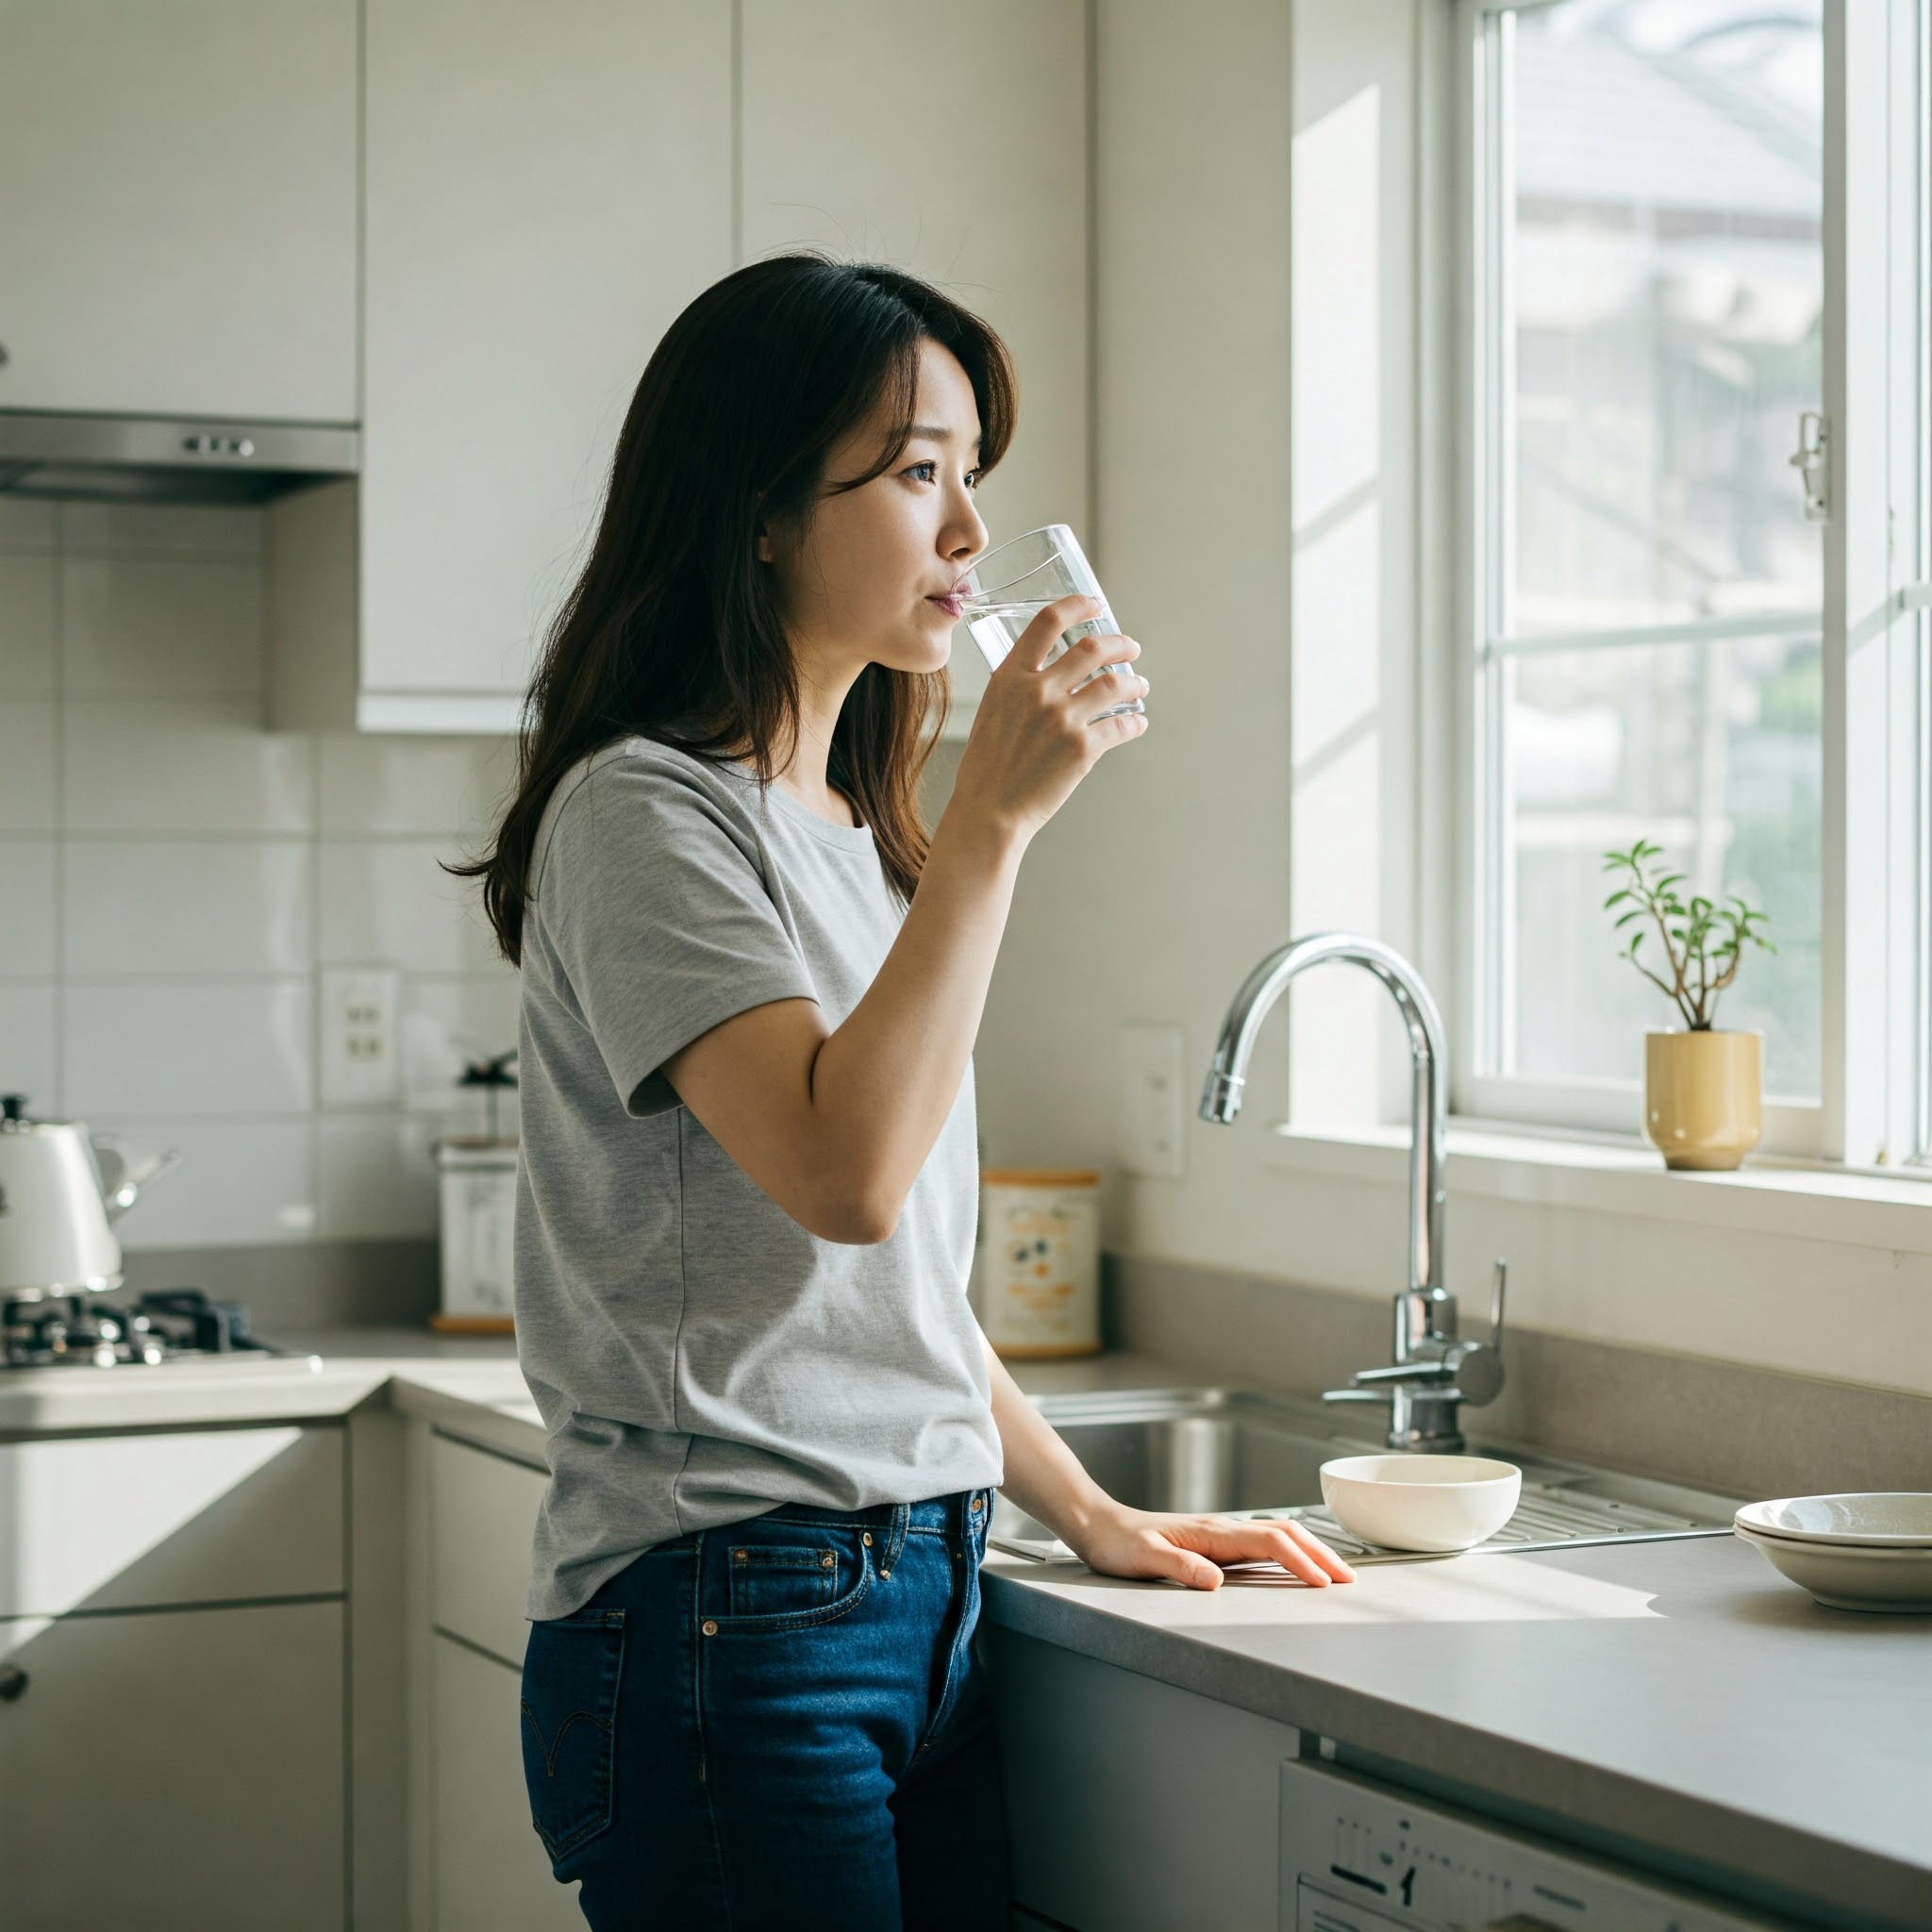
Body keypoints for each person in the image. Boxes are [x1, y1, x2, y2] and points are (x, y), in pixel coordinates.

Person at [459, 254, 1355, 1932]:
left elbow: (892, 1302)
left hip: (914, 1594)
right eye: (917, 471)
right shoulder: (644, 813)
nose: (969, 530)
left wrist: (1087, 1507)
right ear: (759, 514)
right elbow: (847, 1180)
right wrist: (997, 825)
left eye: (973, 472)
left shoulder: (855, 833)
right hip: (730, 1611)